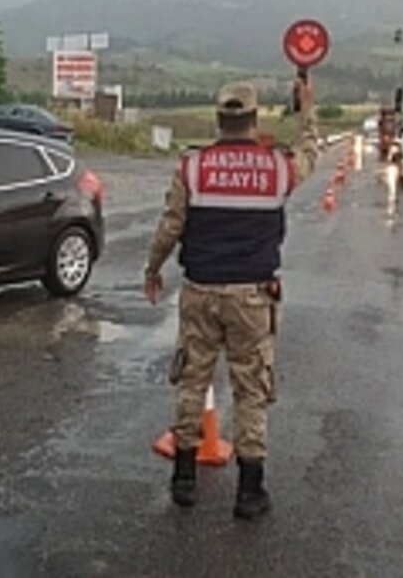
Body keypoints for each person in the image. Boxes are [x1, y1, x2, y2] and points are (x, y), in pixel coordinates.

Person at [144, 79, 318, 520]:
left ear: (218, 119)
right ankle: (249, 491)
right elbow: (310, 152)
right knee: (251, 390)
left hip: (200, 292)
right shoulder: (277, 168)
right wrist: (307, 109)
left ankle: (184, 481)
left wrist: (152, 270)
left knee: (191, 381)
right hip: (253, 297)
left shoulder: (193, 167)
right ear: (254, 119)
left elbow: (170, 225)